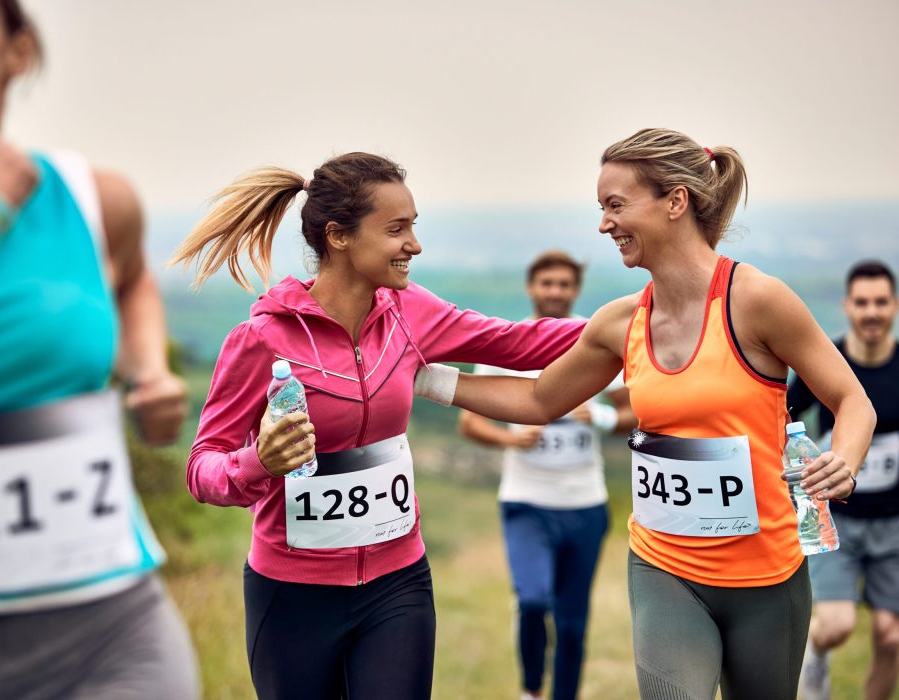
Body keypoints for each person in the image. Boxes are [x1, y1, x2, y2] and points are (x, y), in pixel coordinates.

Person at [414, 128, 876, 699]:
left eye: (616, 205)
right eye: (601, 208)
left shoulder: (757, 300)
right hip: (664, 567)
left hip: (766, 574)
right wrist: (423, 378)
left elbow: (853, 400)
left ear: (675, 201)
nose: (604, 224)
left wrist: (844, 461)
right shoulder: (619, 321)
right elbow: (537, 401)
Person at [170, 152, 586, 700]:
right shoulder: (263, 339)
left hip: (398, 583)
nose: (414, 244)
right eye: (397, 229)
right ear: (339, 236)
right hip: (292, 593)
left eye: (413, 226)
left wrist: (647, 316)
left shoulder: (411, 312)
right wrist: (258, 464)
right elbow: (203, 467)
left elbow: (521, 343)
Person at [0, 1, 198, 698]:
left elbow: (130, 281)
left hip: (107, 641)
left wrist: (149, 369)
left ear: (17, 52)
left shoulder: (94, 199)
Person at [458, 249, 635, 700]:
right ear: (531, 288)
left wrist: (594, 416)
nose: (555, 291)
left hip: (585, 504)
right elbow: (470, 422)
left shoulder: (594, 341)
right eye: (547, 283)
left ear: (575, 290)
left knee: (574, 623)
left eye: (564, 284)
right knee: (534, 601)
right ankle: (532, 691)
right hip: (526, 501)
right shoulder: (506, 343)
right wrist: (509, 440)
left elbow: (633, 412)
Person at [789, 260, 899, 700]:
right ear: (847, 306)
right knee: (836, 625)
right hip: (834, 521)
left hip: (894, 526)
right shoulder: (827, 366)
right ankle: (815, 654)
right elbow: (784, 415)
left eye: (880, 302)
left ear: (893, 306)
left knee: (892, 636)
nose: (871, 311)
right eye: (862, 302)